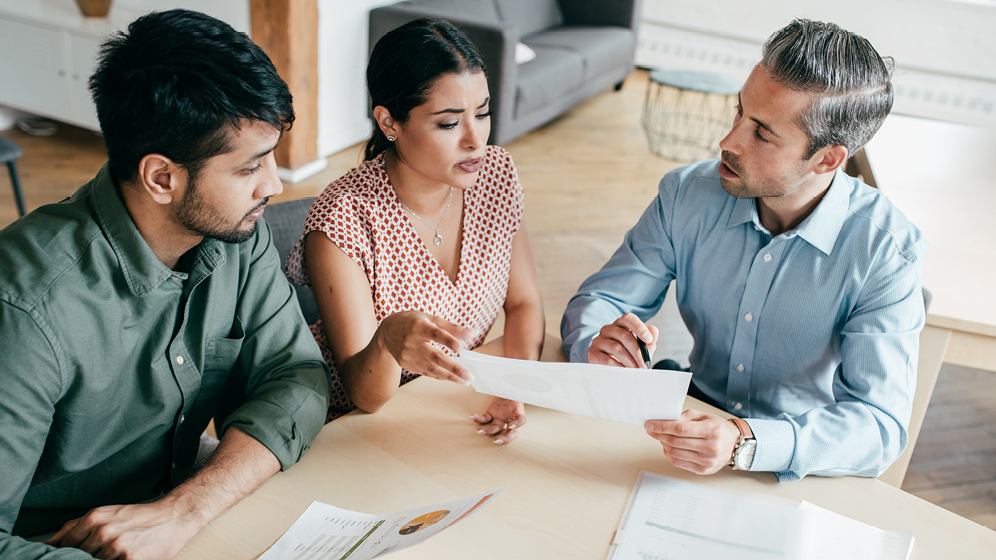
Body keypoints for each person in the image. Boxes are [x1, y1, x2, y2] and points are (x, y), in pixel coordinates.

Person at [0, 10, 331, 559]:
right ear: (162, 178)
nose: (274, 184)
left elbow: (294, 375)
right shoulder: (26, 309)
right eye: (250, 168)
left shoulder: (236, 234)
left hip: (177, 513)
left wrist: (185, 509)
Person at [561, 19, 927, 482]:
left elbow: (878, 425)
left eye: (763, 134)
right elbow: (601, 301)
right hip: (680, 429)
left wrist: (746, 442)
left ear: (828, 159)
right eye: (739, 113)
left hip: (795, 464)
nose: (727, 142)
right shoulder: (685, 194)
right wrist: (598, 343)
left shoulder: (885, 252)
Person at [285, 19, 545, 441]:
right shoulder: (343, 216)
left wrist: (512, 387)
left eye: (482, 113)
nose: (475, 139)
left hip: (450, 407)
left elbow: (525, 304)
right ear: (389, 122)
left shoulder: (495, 174)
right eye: (448, 123)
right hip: (353, 428)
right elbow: (364, 395)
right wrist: (388, 341)